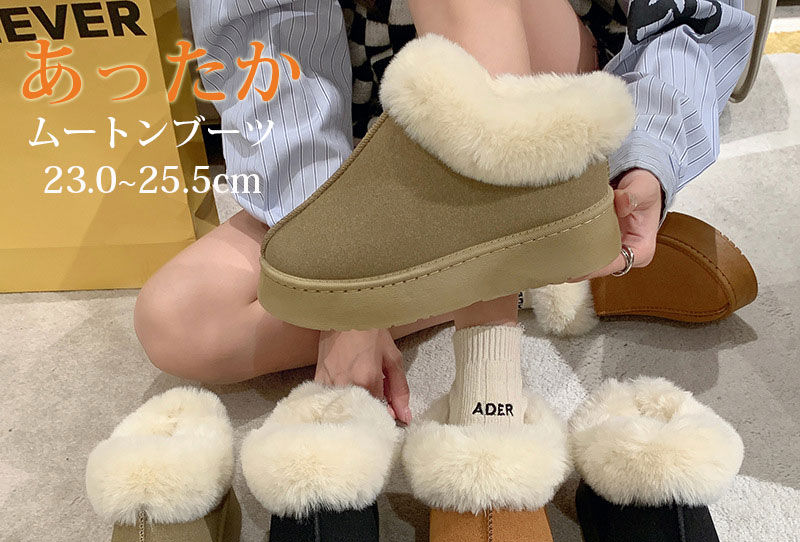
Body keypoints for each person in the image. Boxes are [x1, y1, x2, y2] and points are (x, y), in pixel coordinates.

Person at [134, 0, 755, 427]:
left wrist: (649, 155)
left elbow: (694, 18)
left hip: (545, 103)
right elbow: (262, 40)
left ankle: (491, 393)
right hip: (372, 138)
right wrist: (347, 282)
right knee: (177, 319)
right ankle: (552, 260)